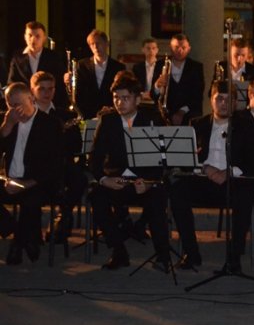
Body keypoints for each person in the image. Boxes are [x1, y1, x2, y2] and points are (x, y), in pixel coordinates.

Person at [169, 81, 254, 272]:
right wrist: (205, 168)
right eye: (219, 99)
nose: (223, 103)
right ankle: (191, 253)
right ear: (211, 100)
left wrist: (228, 172)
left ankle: (234, 257)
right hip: (204, 178)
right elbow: (186, 159)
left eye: (228, 99)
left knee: (245, 195)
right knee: (177, 191)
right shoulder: (197, 124)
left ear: (235, 103)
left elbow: (253, 160)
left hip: (232, 180)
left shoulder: (246, 125)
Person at [86, 71, 170, 271]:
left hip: (144, 181)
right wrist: (104, 179)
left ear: (138, 99)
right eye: (116, 98)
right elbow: (94, 158)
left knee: (158, 198)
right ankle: (118, 250)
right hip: (117, 180)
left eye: (125, 98)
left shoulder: (152, 118)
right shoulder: (108, 121)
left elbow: (163, 159)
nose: (119, 103)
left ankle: (162, 255)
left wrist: (149, 182)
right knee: (96, 196)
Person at [0, 82, 63, 265]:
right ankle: (18, 231)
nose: (14, 110)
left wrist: (28, 183)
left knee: (31, 201)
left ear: (31, 100)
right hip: (10, 179)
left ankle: (17, 245)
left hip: (38, 182)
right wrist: (7, 126)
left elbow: (55, 165)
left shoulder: (49, 124)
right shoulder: (8, 121)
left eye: (18, 105)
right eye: (10, 105)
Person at [29, 71, 85, 242]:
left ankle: (63, 215)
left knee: (79, 179)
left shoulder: (65, 115)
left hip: (61, 165)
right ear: (32, 90)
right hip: (34, 167)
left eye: (50, 89)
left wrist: (62, 135)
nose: (47, 93)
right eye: (42, 89)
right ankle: (33, 229)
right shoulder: (27, 114)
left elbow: (77, 147)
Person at [7, 21, 68, 111]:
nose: (33, 39)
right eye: (30, 35)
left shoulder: (53, 57)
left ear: (44, 38)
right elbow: (12, 83)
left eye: (37, 36)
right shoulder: (17, 57)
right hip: (24, 107)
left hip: (48, 107)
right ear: (25, 37)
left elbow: (60, 83)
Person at [69, 29, 126, 121]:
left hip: (111, 115)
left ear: (106, 44)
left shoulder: (118, 67)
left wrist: (111, 110)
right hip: (88, 114)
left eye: (98, 43)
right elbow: (79, 92)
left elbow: (121, 92)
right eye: (92, 44)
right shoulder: (82, 65)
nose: (96, 47)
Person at [154, 33, 205, 125]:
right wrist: (157, 85)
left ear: (189, 49)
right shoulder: (160, 65)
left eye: (183, 47)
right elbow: (153, 95)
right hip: (165, 115)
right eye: (176, 47)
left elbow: (198, 95)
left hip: (189, 115)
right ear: (170, 48)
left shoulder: (196, 67)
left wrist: (182, 111)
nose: (180, 50)